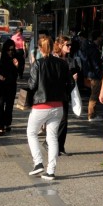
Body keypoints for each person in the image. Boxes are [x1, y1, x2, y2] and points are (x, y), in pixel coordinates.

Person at [22, 35, 75, 180]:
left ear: (39, 48)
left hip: (41, 104)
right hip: (58, 105)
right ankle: (50, 171)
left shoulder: (38, 64)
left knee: (31, 132)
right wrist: (63, 93)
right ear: (52, 46)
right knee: (52, 138)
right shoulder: (62, 64)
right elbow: (71, 83)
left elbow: (32, 85)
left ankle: (38, 162)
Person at [0, 36, 22, 136]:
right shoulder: (0, 57)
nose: (10, 52)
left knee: (9, 105)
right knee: (0, 105)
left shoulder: (16, 57)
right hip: (0, 84)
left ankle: (7, 123)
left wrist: (17, 66)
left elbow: (19, 72)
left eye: (12, 50)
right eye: (9, 50)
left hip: (11, 84)